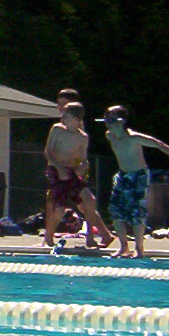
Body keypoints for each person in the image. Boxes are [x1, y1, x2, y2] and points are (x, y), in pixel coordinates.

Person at [100, 105, 169, 258]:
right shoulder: (110, 136)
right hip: (123, 175)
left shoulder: (134, 138)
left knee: (137, 211)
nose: (107, 122)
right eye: (106, 119)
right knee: (115, 210)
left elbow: (158, 144)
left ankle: (139, 247)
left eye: (110, 119)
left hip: (139, 175)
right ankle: (123, 247)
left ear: (121, 121)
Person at [43, 101, 111, 248]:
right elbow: (48, 152)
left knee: (90, 200)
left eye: (66, 116)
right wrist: (60, 168)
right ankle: (48, 236)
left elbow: (84, 160)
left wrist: (83, 168)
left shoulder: (82, 137)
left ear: (75, 119)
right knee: (60, 210)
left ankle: (90, 238)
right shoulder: (57, 130)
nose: (62, 118)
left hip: (71, 172)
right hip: (55, 171)